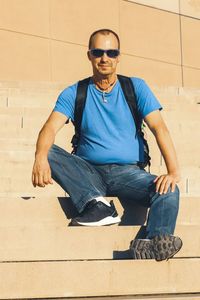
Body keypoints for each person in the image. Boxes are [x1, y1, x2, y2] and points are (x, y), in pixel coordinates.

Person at [32, 29, 182, 261]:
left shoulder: (136, 87)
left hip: (128, 174)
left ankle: (154, 241)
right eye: (98, 52)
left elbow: (159, 127)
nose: (105, 58)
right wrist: (40, 158)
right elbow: (49, 129)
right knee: (47, 151)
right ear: (89, 55)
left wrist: (173, 172)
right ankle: (97, 204)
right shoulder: (75, 92)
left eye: (111, 52)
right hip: (87, 173)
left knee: (169, 189)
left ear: (118, 56)